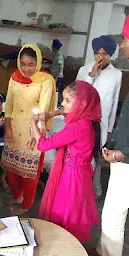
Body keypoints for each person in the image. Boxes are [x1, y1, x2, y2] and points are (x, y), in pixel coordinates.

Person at [32, 81, 101, 242]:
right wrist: (51, 114)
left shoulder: (76, 127)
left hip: (72, 178)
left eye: (67, 100)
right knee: (70, 211)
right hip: (78, 174)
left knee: (65, 212)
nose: (62, 104)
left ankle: (65, 244)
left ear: (82, 104)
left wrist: (33, 124)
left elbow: (43, 145)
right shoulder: (86, 119)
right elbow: (66, 112)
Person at [0, 43, 56, 216]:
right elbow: (8, 103)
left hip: (33, 130)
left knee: (30, 173)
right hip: (15, 128)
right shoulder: (14, 77)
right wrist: (8, 128)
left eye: (31, 64)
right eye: (23, 64)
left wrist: (36, 134)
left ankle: (26, 204)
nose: (26, 69)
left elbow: (44, 108)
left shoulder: (45, 80)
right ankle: (18, 196)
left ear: (38, 62)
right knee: (11, 169)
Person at [97, 17, 129, 256]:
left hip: (125, 160)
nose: (124, 44)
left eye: (126, 38)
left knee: (112, 219)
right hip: (120, 153)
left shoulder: (117, 75)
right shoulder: (85, 70)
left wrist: (122, 151)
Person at [76, 35, 122, 198]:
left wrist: (109, 129)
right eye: (97, 53)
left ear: (111, 54)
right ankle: (79, 188)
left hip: (101, 124)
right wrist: (92, 74)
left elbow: (114, 102)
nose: (100, 57)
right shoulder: (84, 70)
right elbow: (79, 94)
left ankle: (93, 191)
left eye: (105, 54)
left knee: (96, 157)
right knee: (82, 156)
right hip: (83, 121)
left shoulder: (117, 75)